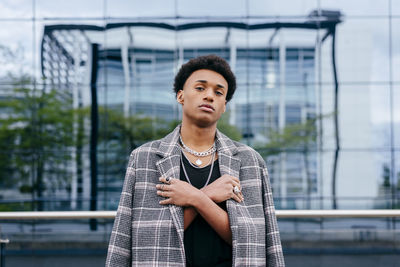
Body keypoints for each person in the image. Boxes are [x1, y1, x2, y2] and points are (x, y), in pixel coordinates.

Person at [106, 55, 284, 267]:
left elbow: (252, 239)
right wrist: (206, 195)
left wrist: (196, 199)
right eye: (200, 88)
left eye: (219, 92)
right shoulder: (144, 157)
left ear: (224, 105)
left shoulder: (249, 161)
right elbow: (139, 238)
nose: (209, 96)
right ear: (181, 96)